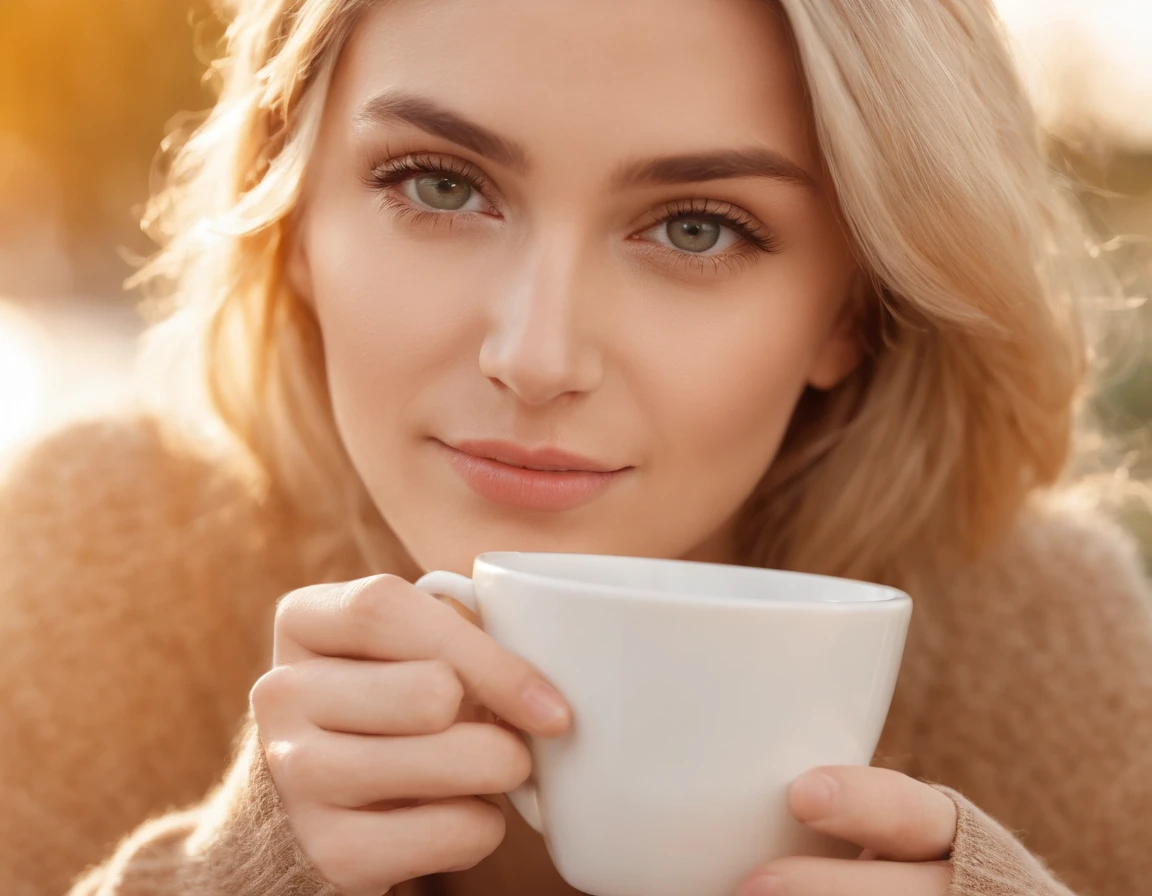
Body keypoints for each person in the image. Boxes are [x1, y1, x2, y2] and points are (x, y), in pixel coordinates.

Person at [1, 0, 1149, 894]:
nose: (537, 353)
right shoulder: (102, 551)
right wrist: (238, 871)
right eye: (440, 184)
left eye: (697, 227)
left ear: (852, 308)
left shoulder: (1042, 628)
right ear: (290, 213)